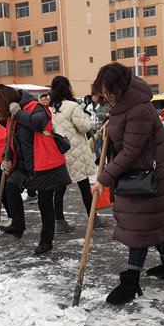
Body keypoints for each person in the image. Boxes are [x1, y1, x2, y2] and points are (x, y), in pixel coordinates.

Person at [91, 63, 164, 305]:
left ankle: (131, 281)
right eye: (103, 92)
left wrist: (104, 178)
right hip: (140, 174)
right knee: (150, 221)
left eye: (110, 92)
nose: (107, 97)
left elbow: (131, 151)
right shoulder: (123, 106)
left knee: (139, 226)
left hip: (149, 176)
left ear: (121, 87)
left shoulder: (139, 110)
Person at [0, 86, 71, 255]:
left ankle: (46, 241)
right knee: (11, 186)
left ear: (10, 103)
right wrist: (6, 159)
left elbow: (38, 123)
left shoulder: (35, 107)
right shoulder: (11, 116)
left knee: (45, 204)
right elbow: (11, 141)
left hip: (46, 165)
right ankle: (18, 224)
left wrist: (19, 113)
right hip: (26, 165)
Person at [49, 76, 97, 233]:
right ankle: (93, 218)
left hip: (60, 153)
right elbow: (84, 127)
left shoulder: (51, 108)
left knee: (60, 188)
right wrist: (86, 118)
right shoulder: (73, 106)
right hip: (76, 152)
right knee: (84, 186)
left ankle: (59, 221)